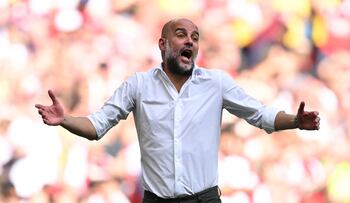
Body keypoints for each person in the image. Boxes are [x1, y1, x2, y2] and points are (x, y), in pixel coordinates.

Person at [35, 18, 320, 203]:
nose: (190, 41)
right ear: (162, 44)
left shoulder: (216, 83)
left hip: (204, 199)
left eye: (195, 37)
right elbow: (97, 127)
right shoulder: (138, 85)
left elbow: (261, 115)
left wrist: (294, 120)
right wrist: (65, 120)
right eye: (181, 35)